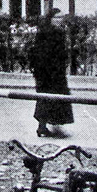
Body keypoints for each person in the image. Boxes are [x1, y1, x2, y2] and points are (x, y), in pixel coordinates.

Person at [28, 8, 74, 138]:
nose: (61, 21)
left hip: (52, 71)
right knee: (49, 97)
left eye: (62, 18)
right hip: (49, 72)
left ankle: (47, 125)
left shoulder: (55, 32)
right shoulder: (49, 33)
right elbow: (44, 53)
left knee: (49, 97)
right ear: (51, 19)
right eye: (58, 18)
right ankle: (45, 126)